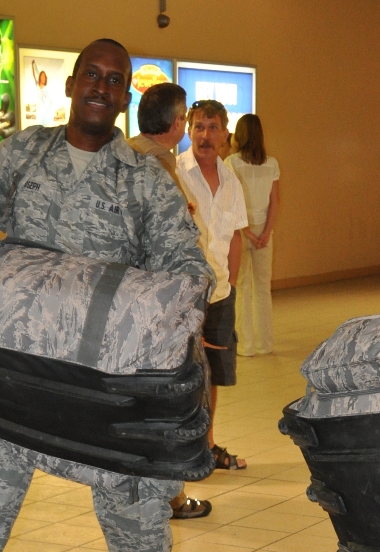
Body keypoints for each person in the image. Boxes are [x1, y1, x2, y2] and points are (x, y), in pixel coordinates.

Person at [0, 39, 212, 552]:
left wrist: (129, 318)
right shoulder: (23, 154)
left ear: (125, 94)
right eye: (92, 75)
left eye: (115, 80)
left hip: (101, 386)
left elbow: (187, 276)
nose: (101, 88)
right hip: (18, 375)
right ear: (71, 82)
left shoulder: (145, 181)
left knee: (136, 520)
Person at [127, 82, 213, 520]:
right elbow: (173, 234)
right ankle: (173, 496)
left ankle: (145, 489)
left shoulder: (123, 152)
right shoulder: (157, 163)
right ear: (177, 123)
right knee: (178, 394)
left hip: (125, 300)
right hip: (160, 301)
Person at [177, 100, 249, 470]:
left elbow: (236, 236)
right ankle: (181, 446)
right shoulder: (175, 172)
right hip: (183, 296)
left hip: (219, 294)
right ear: (189, 130)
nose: (206, 135)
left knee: (213, 375)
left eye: (213, 127)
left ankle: (206, 445)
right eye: (199, 127)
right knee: (180, 372)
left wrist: (231, 284)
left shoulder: (231, 178)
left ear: (225, 134)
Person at [225, 114, 280, 356]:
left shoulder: (231, 163)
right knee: (262, 288)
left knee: (242, 287)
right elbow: (275, 202)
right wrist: (265, 232)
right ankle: (266, 344)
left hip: (240, 230)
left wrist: (246, 231)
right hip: (264, 232)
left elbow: (231, 202)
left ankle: (246, 346)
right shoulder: (272, 163)